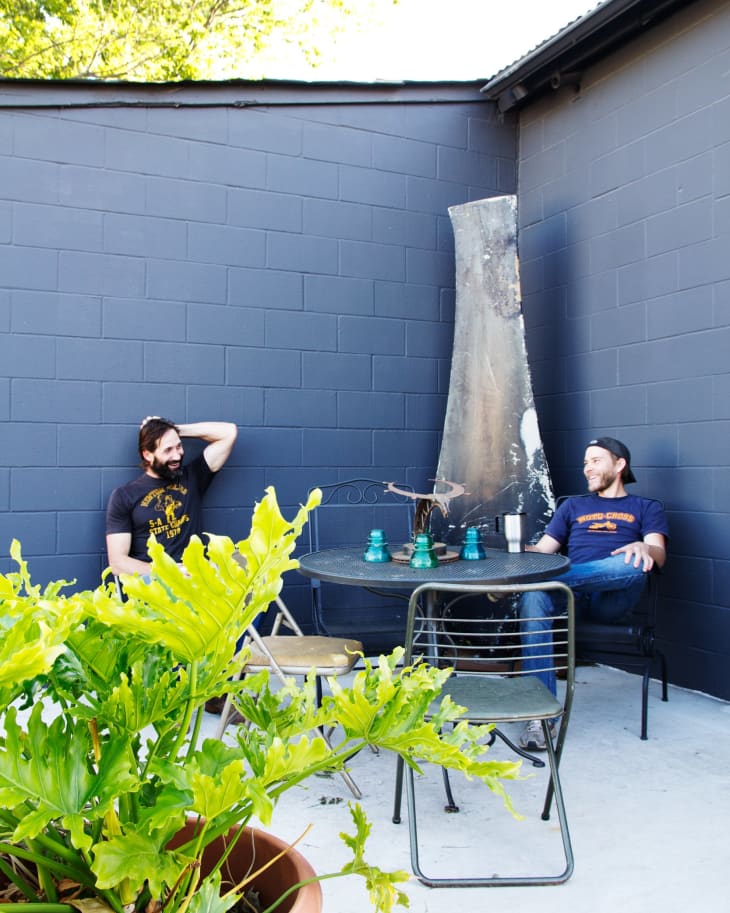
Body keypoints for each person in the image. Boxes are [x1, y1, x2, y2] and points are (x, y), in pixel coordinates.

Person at [519, 436, 668, 751]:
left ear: (619, 464)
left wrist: (645, 547)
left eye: (596, 461)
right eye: (585, 462)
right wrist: (513, 551)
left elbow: (658, 555)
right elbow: (544, 552)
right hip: (571, 598)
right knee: (534, 594)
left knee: (633, 563)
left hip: (611, 597)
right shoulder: (572, 506)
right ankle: (540, 716)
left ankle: (533, 581)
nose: (587, 468)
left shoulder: (646, 507)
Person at [106, 416, 238, 577]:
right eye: (168, 450)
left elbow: (229, 432)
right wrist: (173, 572)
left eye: (179, 446)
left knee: (242, 563)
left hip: (196, 579)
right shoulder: (124, 496)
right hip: (154, 582)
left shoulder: (192, 477)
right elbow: (118, 563)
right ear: (147, 455)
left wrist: (173, 430)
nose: (177, 456)